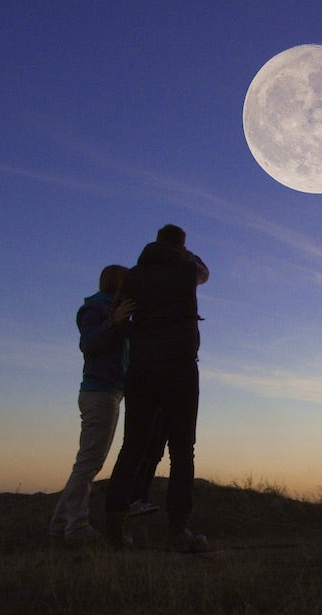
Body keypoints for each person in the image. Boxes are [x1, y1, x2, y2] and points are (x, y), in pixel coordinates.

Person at [104, 224, 210, 552]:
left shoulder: (133, 276)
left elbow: (118, 320)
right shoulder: (187, 269)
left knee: (132, 444)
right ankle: (178, 531)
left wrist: (134, 333)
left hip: (142, 366)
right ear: (181, 246)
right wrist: (184, 254)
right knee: (182, 449)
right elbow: (205, 272)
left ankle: (115, 528)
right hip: (179, 366)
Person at [50, 265, 136, 545]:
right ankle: (76, 527)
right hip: (98, 392)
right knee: (88, 463)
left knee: (89, 462)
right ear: (118, 283)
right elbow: (88, 344)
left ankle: (60, 525)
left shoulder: (113, 309)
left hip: (110, 391)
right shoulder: (95, 309)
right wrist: (114, 322)